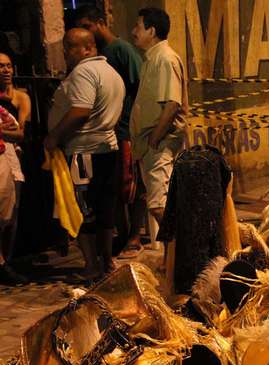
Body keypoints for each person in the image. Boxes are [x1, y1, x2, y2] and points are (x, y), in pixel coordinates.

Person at [45, 28, 125, 281]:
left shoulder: (84, 72)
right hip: (106, 149)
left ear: (88, 48)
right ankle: (107, 262)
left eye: (70, 48)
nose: (66, 54)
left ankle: (92, 265)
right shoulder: (110, 72)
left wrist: (54, 136)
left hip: (84, 152)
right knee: (105, 210)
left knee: (85, 210)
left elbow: (81, 111)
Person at [74, 6, 145, 260]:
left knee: (132, 186)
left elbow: (140, 87)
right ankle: (123, 236)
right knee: (114, 190)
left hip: (126, 128)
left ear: (101, 22)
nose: (86, 31)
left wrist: (131, 122)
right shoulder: (99, 56)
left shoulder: (122, 51)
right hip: (109, 133)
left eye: (88, 25)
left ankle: (135, 236)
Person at [129, 7, 188, 240]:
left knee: (158, 205)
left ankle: (184, 250)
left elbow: (172, 104)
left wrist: (154, 139)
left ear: (151, 30)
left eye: (138, 26)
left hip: (159, 144)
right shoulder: (152, 59)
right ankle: (174, 255)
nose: (133, 31)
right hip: (151, 145)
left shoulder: (164, 58)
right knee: (161, 203)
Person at [0, 52, 30, 285]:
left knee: (12, 215)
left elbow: (20, 134)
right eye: (1, 66)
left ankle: (6, 261)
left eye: (9, 66)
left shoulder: (21, 97)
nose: (6, 70)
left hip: (12, 158)